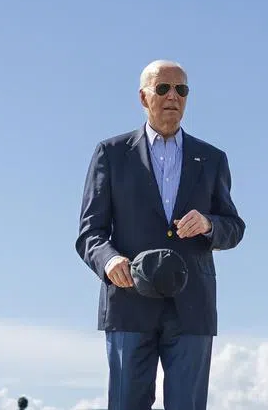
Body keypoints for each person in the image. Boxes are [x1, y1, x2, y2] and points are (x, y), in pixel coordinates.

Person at [76, 60, 246, 410]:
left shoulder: (212, 158)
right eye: (163, 88)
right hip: (128, 302)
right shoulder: (111, 154)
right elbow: (90, 233)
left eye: (181, 90)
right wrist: (110, 262)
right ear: (143, 97)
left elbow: (234, 227)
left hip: (192, 306)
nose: (173, 96)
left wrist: (209, 224)